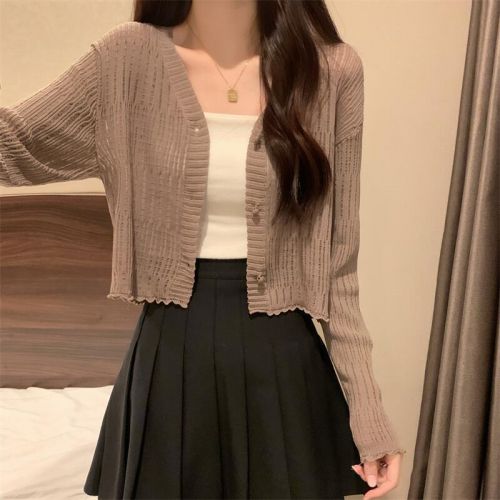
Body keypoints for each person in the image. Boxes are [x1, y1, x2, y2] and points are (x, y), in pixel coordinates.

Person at [0, 1, 406, 498]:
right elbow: (13, 145)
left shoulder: (332, 71)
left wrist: (369, 414)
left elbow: (337, 270)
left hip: (283, 365)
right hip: (170, 356)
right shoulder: (128, 58)